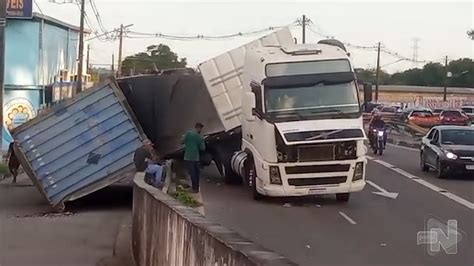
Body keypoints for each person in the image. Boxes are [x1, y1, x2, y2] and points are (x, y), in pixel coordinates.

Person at [183, 123, 205, 193]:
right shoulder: (200, 137)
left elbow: (182, 142)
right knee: (196, 173)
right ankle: (196, 188)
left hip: (188, 157)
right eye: (201, 129)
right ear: (198, 128)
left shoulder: (188, 134)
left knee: (192, 173)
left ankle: (194, 188)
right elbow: (202, 148)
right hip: (196, 157)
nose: (201, 130)